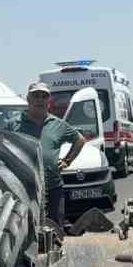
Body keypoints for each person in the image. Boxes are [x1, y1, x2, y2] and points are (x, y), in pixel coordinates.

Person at [15, 80, 85, 226]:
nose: (40, 100)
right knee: (25, 229)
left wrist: (67, 160)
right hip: (24, 189)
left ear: (49, 101)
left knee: (56, 230)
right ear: (28, 99)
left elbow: (80, 140)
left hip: (53, 188)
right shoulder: (14, 124)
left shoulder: (58, 124)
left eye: (44, 96)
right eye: (36, 96)